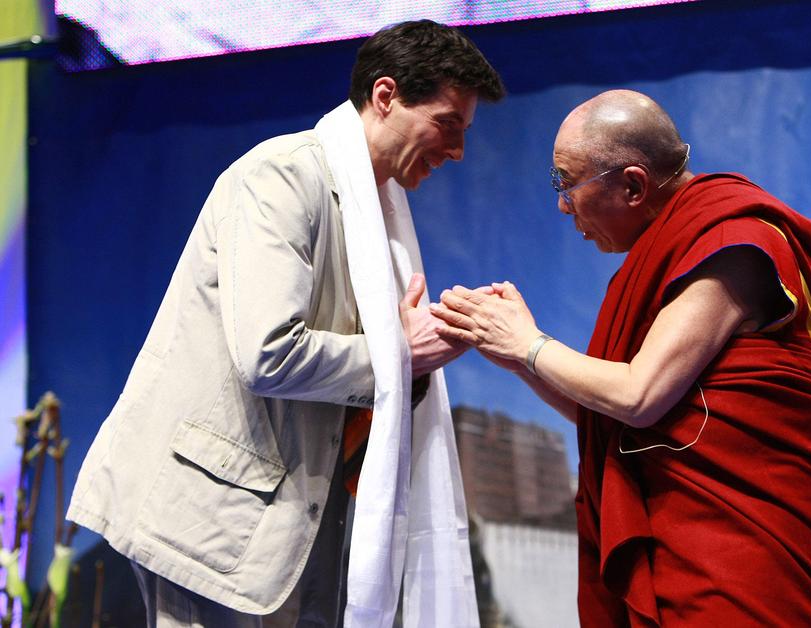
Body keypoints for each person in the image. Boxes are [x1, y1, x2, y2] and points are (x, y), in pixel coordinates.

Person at [66, 20, 504, 628]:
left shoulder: (375, 209)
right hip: (213, 510)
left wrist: (419, 357)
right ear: (385, 96)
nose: (456, 150)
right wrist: (399, 352)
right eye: (448, 123)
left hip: (299, 516)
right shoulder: (282, 177)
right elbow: (269, 354)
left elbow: (354, 370)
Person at [432, 89, 811, 627]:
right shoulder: (663, 259)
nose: (563, 206)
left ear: (634, 185)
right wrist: (521, 360)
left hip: (747, 549)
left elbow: (639, 396)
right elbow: (612, 415)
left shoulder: (733, 243)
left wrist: (529, 344)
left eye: (568, 184)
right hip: (685, 539)